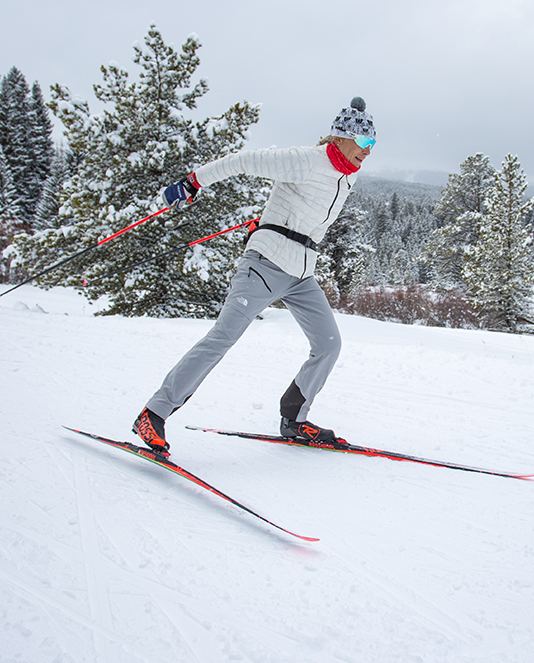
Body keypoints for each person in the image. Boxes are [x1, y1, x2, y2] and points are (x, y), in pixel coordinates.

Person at [132, 97, 376, 456]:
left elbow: (304, 213)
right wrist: (193, 182)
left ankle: (294, 419)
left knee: (328, 344)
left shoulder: (346, 176)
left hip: (301, 274)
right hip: (265, 265)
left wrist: (271, 220)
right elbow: (242, 161)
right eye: (364, 141)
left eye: (373, 144)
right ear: (340, 137)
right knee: (223, 336)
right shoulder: (306, 159)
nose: (368, 150)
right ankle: (153, 413)